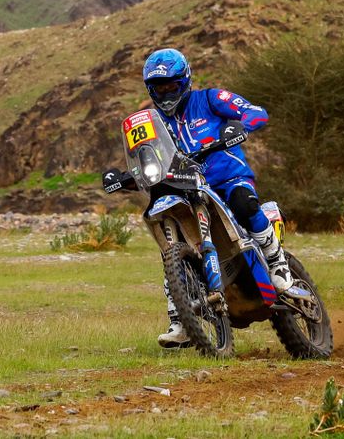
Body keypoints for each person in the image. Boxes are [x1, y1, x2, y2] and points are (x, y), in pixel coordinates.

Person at [115, 46, 290, 349]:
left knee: (243, 202)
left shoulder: (210, 99)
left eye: (171, 85)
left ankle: (278, 265)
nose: (166, 92)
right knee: (171, 246)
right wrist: (127, 176)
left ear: (185, 80)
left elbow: (256, 112)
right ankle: (180, 319)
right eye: (159, 87)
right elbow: (147, 156)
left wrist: (240, 126)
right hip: (184, 186)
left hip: (227, 177)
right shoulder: (152, 122)